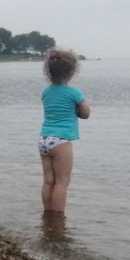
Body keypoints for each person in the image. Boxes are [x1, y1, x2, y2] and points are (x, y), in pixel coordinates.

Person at [38, 48, 91, 216]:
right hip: (61, 141)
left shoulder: (46, 92)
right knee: (62, 182)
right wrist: (77, 109)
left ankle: (47, 214)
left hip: (44, 139)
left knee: (48, 180)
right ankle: (58, 218)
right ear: (72, 72)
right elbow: (86, 114)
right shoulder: (74, 93)